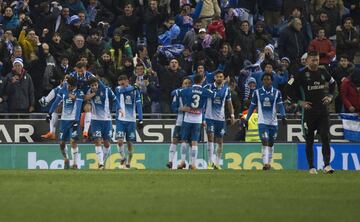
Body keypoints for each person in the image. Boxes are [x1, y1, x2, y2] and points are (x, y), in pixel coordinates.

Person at [287, 51, 338, 174]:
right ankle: (311, 167)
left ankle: (327, 165)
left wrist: (330, 97)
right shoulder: (300, 74)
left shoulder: (323, 71)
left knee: (325, 136)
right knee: (309, 139)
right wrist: (300, 102)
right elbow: (288, 89)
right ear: (307, 60)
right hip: (308, 113)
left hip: (322, 111)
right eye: (313, 60)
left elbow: (333, 84)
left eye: (317, 60)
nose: (316, 62)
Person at [244, 73, 286, 170]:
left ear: (271, 81)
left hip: (273, 122)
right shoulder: (257, 93)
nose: (267, 81)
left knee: (271, 142)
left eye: (269, 79)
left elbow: (280, 105)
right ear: (262, 81)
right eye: (265, 79)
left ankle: (269, 162)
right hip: (262, 122)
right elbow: (252, 106)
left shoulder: (277, 92)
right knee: (264, 140)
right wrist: (247, 119)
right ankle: (265, 163)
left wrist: (283, 116)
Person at [178, 74, 215, 170]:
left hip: (187, 118)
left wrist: (183, 107)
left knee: (184, 140)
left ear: (193, 81)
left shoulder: (187, 90)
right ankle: (193, 164)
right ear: (202, 80)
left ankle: (182, 162)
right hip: (197, 119)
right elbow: (214, 95)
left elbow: (175, 93)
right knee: (194, 142)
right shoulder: (205, 91)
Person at [48, 76, 84, 169]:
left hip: (74, 120)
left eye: (69, 85)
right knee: (62, 143)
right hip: (64, 121)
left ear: (74, 86)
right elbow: (56, 102)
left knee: (73, 141)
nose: (67, 86)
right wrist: (50, 113)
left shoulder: (79, 93)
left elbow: (79, 107)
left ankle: (75, 163)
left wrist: (76, 121)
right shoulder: (63, 90)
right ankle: (66, 159)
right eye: (67, 84)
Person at [85, 77, 121, 169]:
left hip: (107, 120)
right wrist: (93, 93)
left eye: (95, 85)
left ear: (98, 84)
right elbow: (85, 98)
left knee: (107, 143)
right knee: (97, 141)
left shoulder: (106, 90)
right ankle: (101, 163)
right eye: (92, 85)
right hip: (95, 120)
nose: (94, 87)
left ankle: (102, 161)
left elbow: (115, 99)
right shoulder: (90, 91)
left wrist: (119, 108)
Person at [204, 71, 235, 169]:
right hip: (209, 118)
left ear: (223, 78)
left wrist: (232, 115)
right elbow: (200, 97)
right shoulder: (208, 87)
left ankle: (217, 163)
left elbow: (229, 103)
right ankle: (210, 162)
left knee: (220, 141)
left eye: (221, 77)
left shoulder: (226, 90)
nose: (219, 78)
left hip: (221, 119)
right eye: (217, 76)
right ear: (214, 78)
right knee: (210, 138)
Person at [115, 75, 143, 169]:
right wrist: (134, 86)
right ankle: (123, 158)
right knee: (119, 141)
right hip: (121, 120)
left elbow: (138, 105)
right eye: (120, 81)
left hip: (131, 121)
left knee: (130, 143)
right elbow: (124, 90)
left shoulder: (135, 91)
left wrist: (141, 119)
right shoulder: (118, 89)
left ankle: (128, 163)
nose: (122, 82)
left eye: (124, 80)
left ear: (127, 81)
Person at [167, 78, 192, 169]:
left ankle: (186, 162)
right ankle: (170, 161)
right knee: (175, 140)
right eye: (185, 83)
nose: (187, 85)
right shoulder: (178, 94)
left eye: (189, 83)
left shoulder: (194, 95)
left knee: (189, 142)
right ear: (182, 85)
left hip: (191, 121)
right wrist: (180, 109)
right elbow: (173, 108)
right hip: (180, 121)